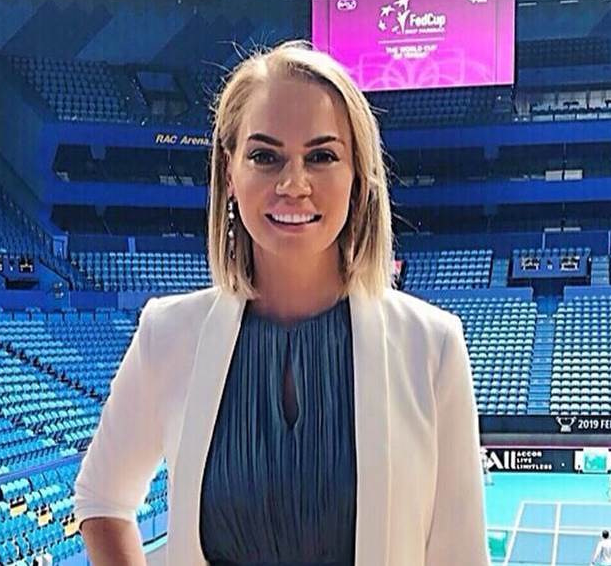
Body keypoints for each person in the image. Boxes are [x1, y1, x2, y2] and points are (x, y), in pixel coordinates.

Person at [73, 40, 488, 566]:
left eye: (322, 156)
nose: (294, 184)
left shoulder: (432, 347)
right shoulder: (167, 333)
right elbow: (101, 498)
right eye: (265, 157)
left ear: (358, 177)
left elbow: (459, 555)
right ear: (230, 173)